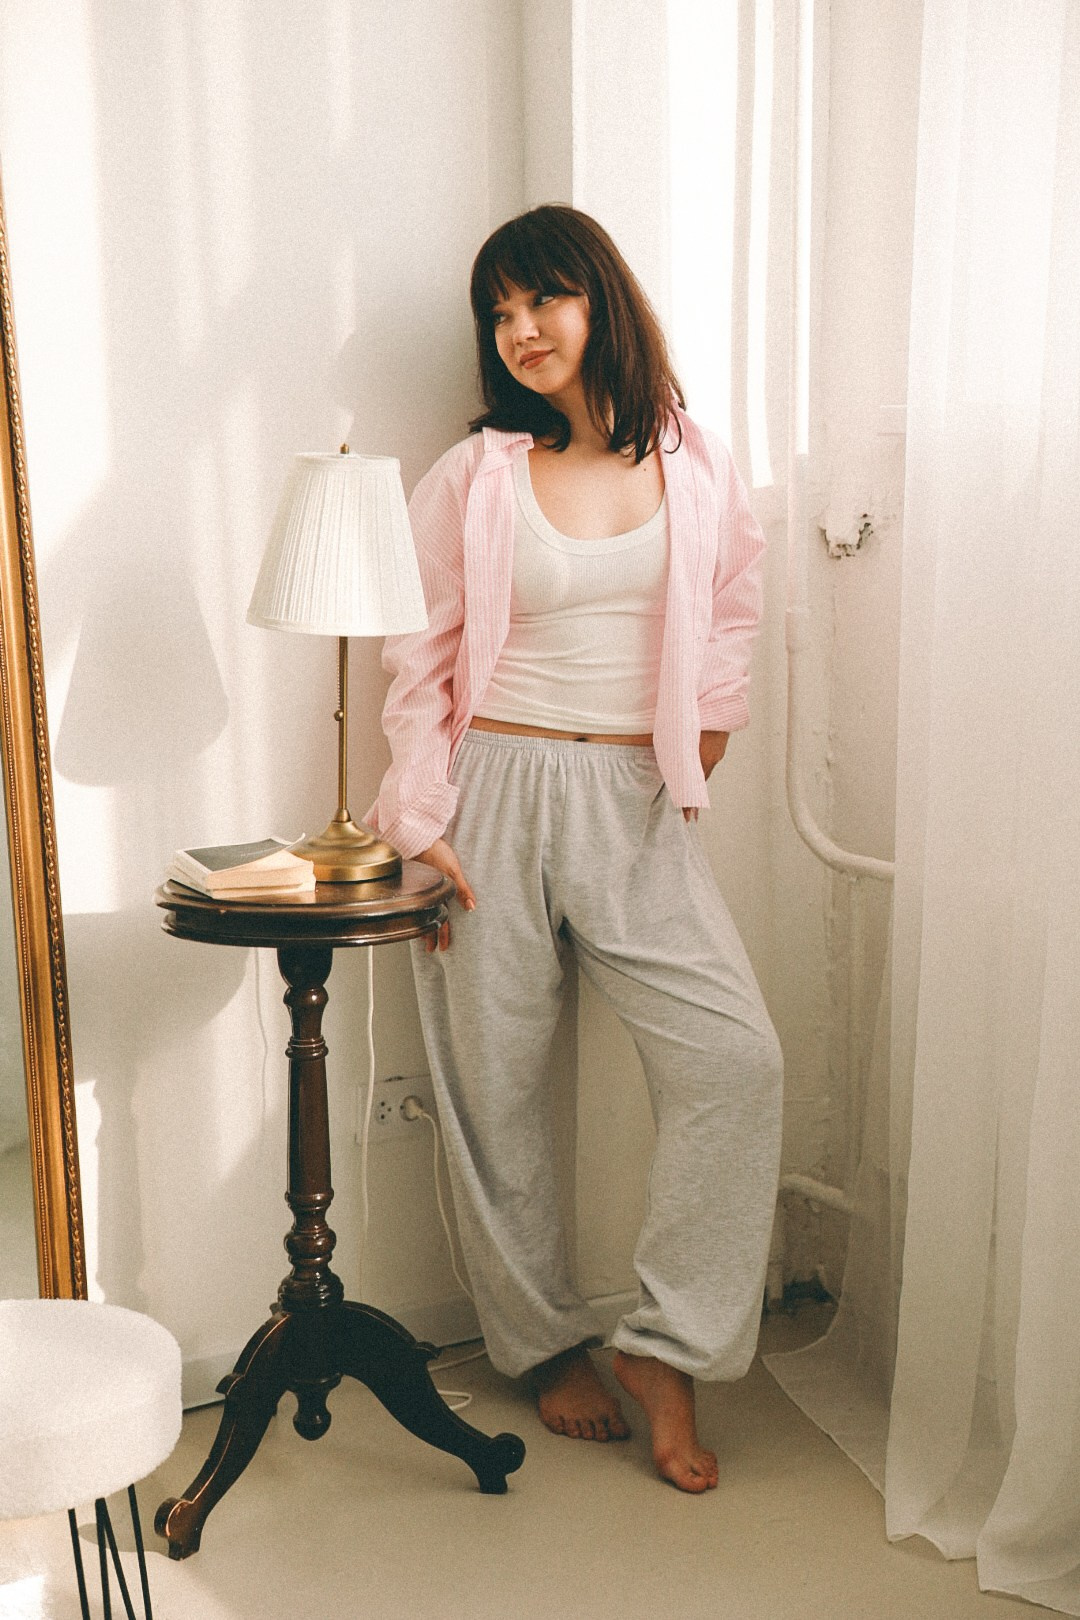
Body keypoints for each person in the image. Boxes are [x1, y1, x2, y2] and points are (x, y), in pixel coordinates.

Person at [368, 205, 783, 1494]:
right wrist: (421, 823)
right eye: (499, 313)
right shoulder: (477, 475)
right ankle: (544, 1344)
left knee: (736, 1061)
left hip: (632, 798)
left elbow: (731, 609)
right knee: (492, 1088)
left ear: (601, 299)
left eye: (541, 298)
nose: (520, 330)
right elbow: (419, 659)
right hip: (488, 789)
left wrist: (704, 738)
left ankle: (665, 1346)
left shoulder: (694, 462)